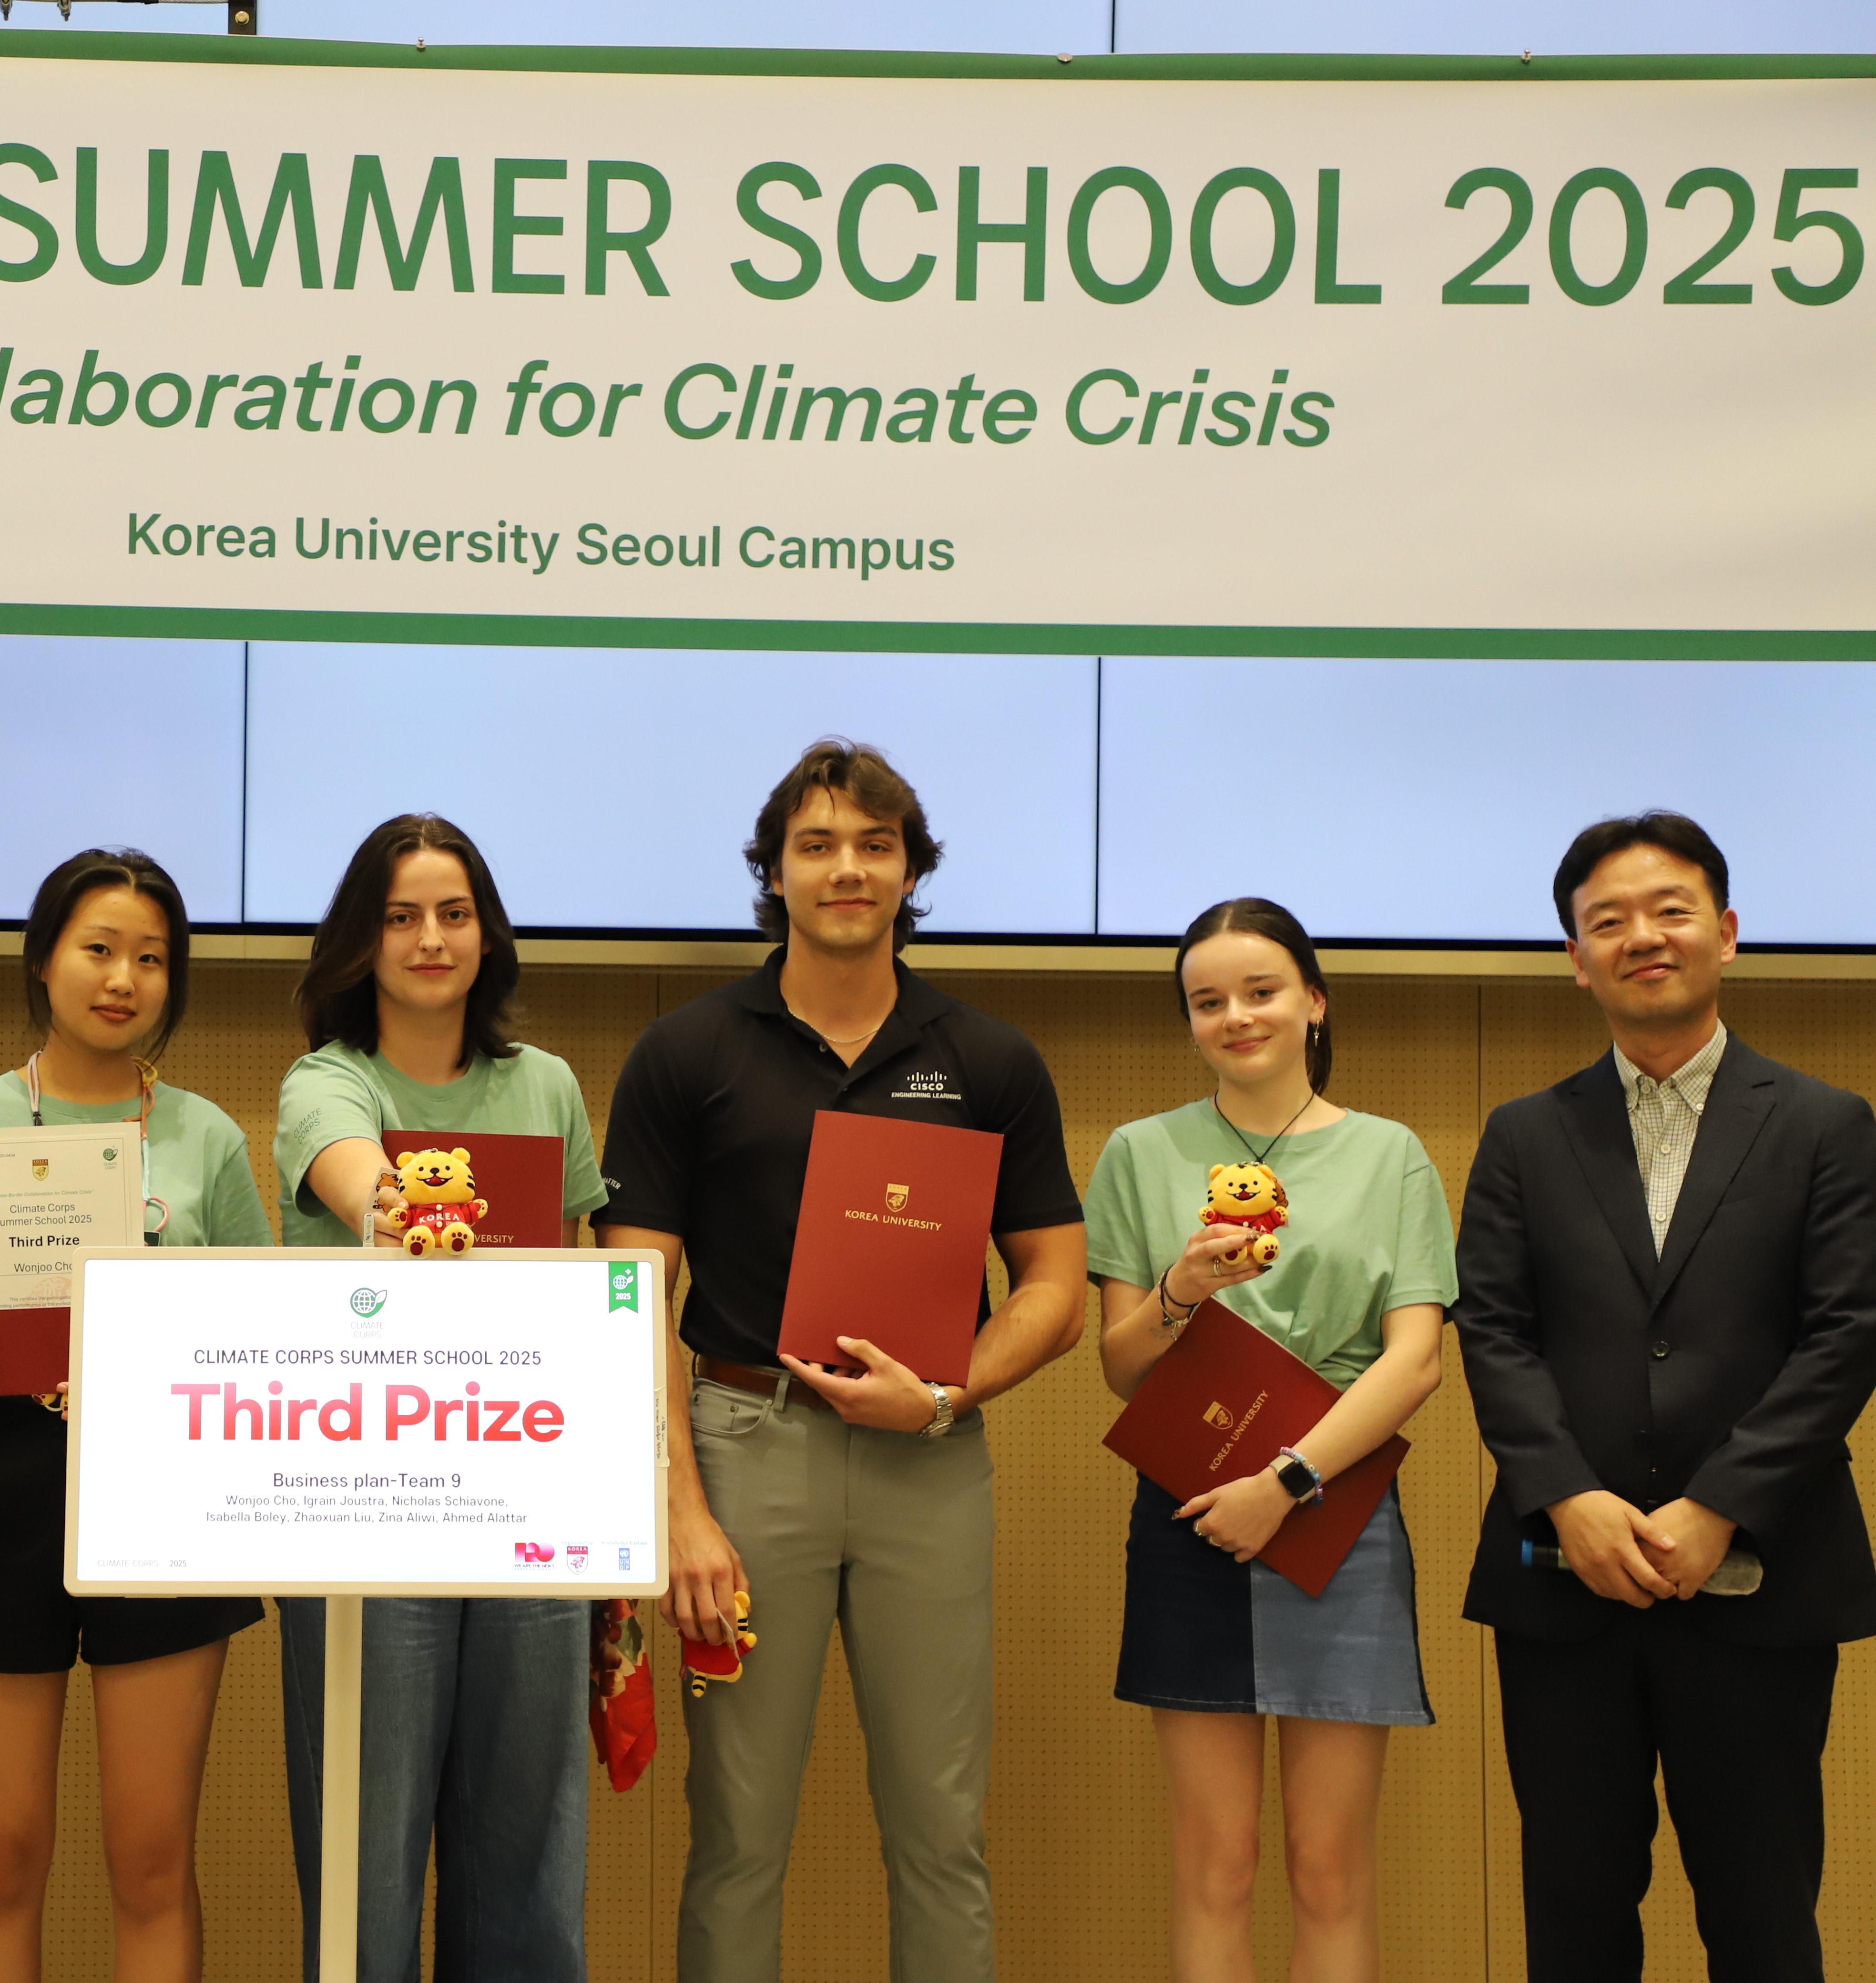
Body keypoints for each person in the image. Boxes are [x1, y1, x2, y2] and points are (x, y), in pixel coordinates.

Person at [595, 737, 1086, 1983]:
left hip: (930, 1459)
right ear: (773, 873)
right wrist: (680, 1509)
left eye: (876, 845)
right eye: (817, 846)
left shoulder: (988, 1059)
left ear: (912, 870)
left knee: (941, 1832)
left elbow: (1058, 1285)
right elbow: (634, 1292)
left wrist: (949, 1390)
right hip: (743, 1462)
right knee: (738, 1836)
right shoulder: (687, 1052)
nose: (848, 869)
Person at [1454, 812, 1876, 1983]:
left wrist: (1720, 1504)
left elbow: (1847, 1334)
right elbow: (1493, 1329)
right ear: (1576, 958)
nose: (1644, 936)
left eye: (1671, 910)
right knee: (1577, 1913)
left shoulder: (1826, 1124)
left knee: (1763, 1909)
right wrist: (1569, 1498)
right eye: (1608, 922)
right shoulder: (1524, 1133)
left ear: (1728, 933)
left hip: (1760, 1579)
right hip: (1565, 1583)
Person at [0, 848, 272, 1983]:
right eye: (99, 949)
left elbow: (257, 1320)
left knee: (151, 1858)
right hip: (0, 1496)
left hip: (163, 1506)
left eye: (152, 958)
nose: (124, 978)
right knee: (2, 1855)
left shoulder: (205, 1135)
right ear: (44, 960)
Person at [1083, 899, 1452, 1983]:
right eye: (1208, 1001)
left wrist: (1287, 1479)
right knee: (1217, 1863)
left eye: (1261, 991)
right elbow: (1120, 1364)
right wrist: (1179, 1289)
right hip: (1189, 1512)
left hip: (1337, 1512)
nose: (1236, 1016)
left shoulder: (1392, 1155)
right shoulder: (1140, 1152)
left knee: (1328, 1863)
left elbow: (1416, 1359)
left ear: (1314, 1001)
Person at [270, 813, 610, 1983]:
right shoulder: (327, 1079)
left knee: (528, 1858)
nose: (429, 939)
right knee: (365, 1861)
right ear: (362, 941)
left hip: (525, 1495)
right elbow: (357, 1178)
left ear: (487, 932)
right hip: (367, 1501)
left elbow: (579, 1284)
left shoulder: (547, 1085)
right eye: (401, 916)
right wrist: (406, 1212)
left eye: (453, 914)